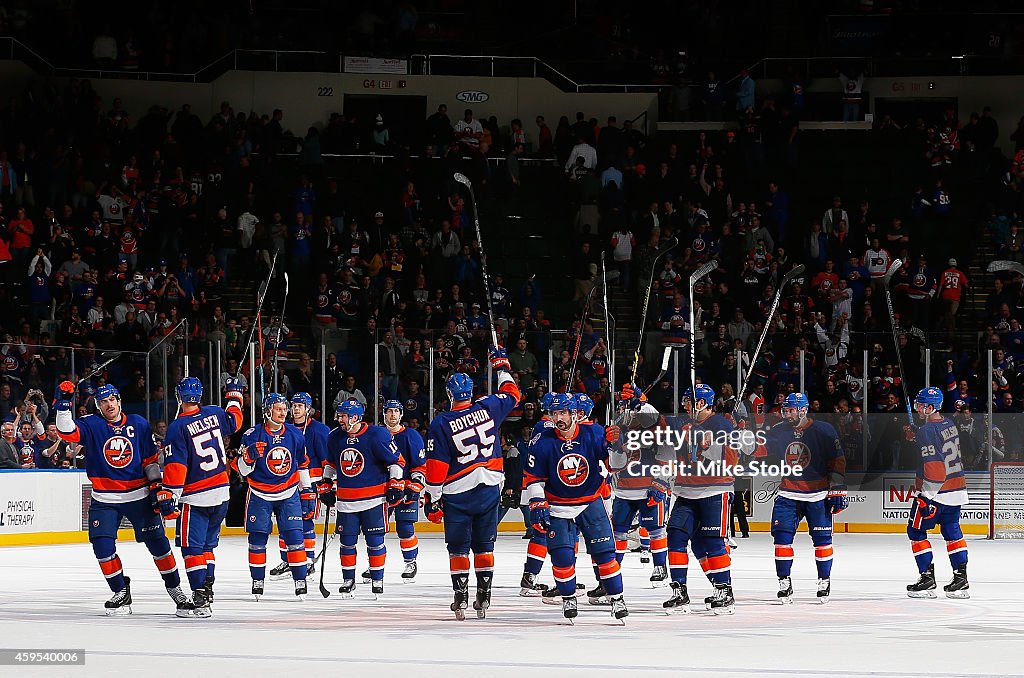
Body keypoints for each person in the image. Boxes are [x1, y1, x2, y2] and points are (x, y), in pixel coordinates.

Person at [55, 381, 190, 615]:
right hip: (104, 499)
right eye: (104, 401)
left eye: (112, 400)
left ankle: (176, 589)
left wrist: (157, 487)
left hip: (139, 495)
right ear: (98, 405)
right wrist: (64, 404)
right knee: (102, 547)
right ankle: (120, 591)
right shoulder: (91, 424)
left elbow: (149, 461)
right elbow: (65, 431)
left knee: (159, 546)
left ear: (119, 401)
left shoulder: (138, 424)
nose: (109, 405)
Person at [424, 347, 521, 620]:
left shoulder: (442, 423)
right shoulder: (488, 407)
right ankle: (484, 596)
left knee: (458, 547)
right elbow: (513, 394)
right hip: (490, 488)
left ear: (449, 394)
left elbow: (436, 468)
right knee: (485, 545)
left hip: (458, 493)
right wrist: (501, 366)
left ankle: (461, 597)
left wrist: (432, 498)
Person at [524, 392, 629, 623]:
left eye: (563, 413)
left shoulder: (595, 433)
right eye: (554, 413)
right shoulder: (542, 441)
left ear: (574, 414)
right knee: (561, 557)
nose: (558, 418)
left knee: (605, 555)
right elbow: (533, 478)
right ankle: (568, 597)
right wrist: (537, 502)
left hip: (590, 502)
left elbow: (616, 466)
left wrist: (618, 446)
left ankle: (617, 597)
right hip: (558, 506)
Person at [159, 376, 244, 616]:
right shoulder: (215, 413)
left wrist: (170, 495)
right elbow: (235, 421)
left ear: (179, 397)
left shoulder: (177, 426)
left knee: (192, 549)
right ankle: (208, 587)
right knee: (208, 546)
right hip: (222, 492)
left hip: (196, 497)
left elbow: (177, 467)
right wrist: (234, 393)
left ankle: (200, 598)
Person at [763, 392, 847, 604]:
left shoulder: (823, 430)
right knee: (781, 540)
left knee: (822, 541)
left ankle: (824, 580)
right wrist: (742, 438)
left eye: (790, 410)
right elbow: (760, 449)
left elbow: (837, 460)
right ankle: (784, 582)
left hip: (818, 495)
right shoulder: (778, 430)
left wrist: (838, 488)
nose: (786, 414)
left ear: (803, 410)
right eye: (785, 410)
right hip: (788, 493)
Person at [662, 384, 737, 615]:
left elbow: (732, 460)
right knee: (675, 537)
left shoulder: (720, 424)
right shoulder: (685, 424)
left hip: (715, 490)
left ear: (701, 403)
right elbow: (657, 422)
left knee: (712, 541)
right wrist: (639, 402)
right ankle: (679, 591)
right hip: (685, 492)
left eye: (687, 401)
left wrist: (710, 446)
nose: (684, 405)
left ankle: (724, 590)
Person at [318, 398, 404, 598]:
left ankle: (377, 579)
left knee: (375, 541)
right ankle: (348, 580)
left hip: (373, 500)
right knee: (347, 542)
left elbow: (396, 461)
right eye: (339, 415)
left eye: (343, 416)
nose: (339, 419)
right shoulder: (334, 437)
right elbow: (331, 464)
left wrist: (396, 483)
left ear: (355, 417)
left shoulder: (377, 435)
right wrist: (326, 483)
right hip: (346, 501)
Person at [237, 393, 312, 601]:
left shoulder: (295, 435)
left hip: (288, 493)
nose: (284, 412)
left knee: (295, 537)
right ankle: (257, 580)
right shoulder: (252, 435)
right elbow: (242, 471)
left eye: (284, 409)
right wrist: (249, 456)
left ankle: (300, 580)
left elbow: (302, 463)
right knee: (257, 539)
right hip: (259, 493)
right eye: (279, 409)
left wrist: (306, 490)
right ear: (268, 411)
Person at [605, 383, 672, 589]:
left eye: (629, 407)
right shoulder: (620, 427)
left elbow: (655, 419)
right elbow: (615, 466)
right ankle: (613, 569)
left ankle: (660, 567)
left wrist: (640, 400)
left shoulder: (653, 425)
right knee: (619, 531)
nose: (626, 411)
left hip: (648, 486)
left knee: (656, 529)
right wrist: (614, 447)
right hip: (625, 489)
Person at [906, 387, 970, 599]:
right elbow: (939, 447)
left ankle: (927, 578)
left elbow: (934, 467)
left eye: (921, 404)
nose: (917, 408)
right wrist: (918, 437)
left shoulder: (927, 431)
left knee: (915, 531)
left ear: (930, 407)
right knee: (952, 531)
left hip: (936, 492)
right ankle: (961, 579)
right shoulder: (948, 424)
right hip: (956, 489)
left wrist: (925, 495)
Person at [267, 392, 329, 582]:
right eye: (293, 405)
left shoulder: (319, 430)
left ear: (308, 409)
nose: (295, 409)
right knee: (286, 521)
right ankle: (287, 560)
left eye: (300, 405)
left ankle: (308, 561)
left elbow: (328, 461)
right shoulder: (285, 429)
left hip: (312, 482)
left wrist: (328, 483)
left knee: (306, 520)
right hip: (289, 483)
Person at [365, 399, 426, 582]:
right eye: (389, 411)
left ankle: (410, 561)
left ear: (401, 414)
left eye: (396, 411)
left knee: (405, 527)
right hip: (381, 490)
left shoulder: (411, 436)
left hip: (405, 489)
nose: (392, 415)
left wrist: (415, 486)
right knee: (375, 530)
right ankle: (374, 564)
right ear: (384, 414)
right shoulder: (374, 435)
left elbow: (419, 465)